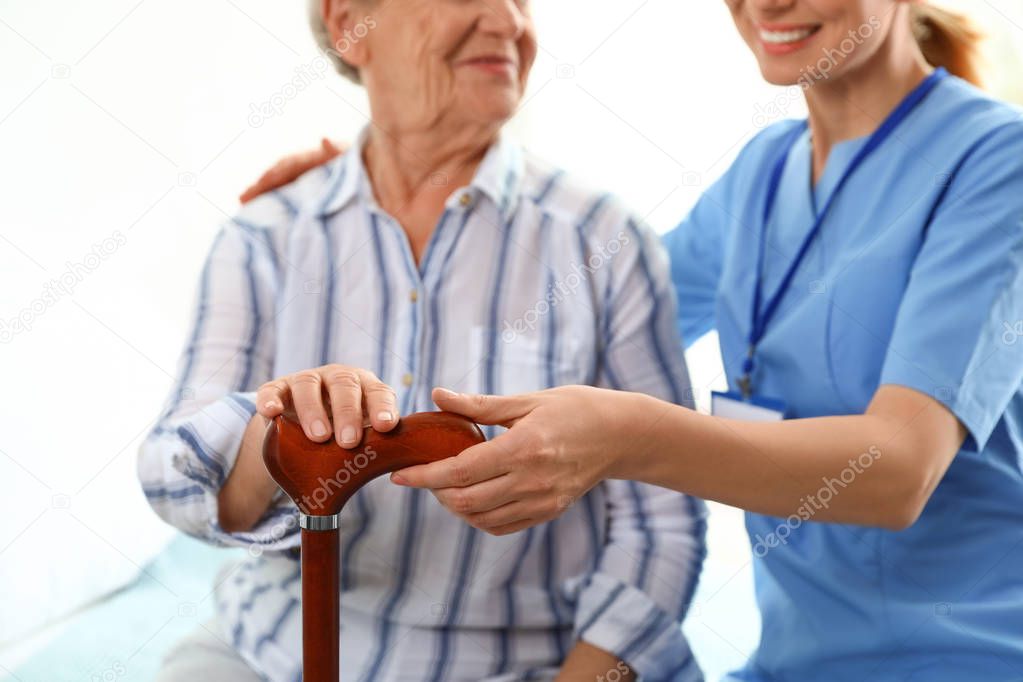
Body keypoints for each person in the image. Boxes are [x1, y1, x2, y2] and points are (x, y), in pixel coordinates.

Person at [244, 1, 1023, 680]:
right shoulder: (761, 174)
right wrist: (395, 183)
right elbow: (566, 317)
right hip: (787, 663)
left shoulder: (997, 164)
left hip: (970, 656)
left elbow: (897, 470)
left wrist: (630, 439)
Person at [138, 0, 706, 680]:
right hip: (271, 650)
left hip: (530, 662)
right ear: (351, 25)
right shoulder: (264, 236)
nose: (507, 22)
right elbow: (176, 477)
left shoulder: (604, 240)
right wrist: (279, 437)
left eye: (521, 0)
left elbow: (664, 524)